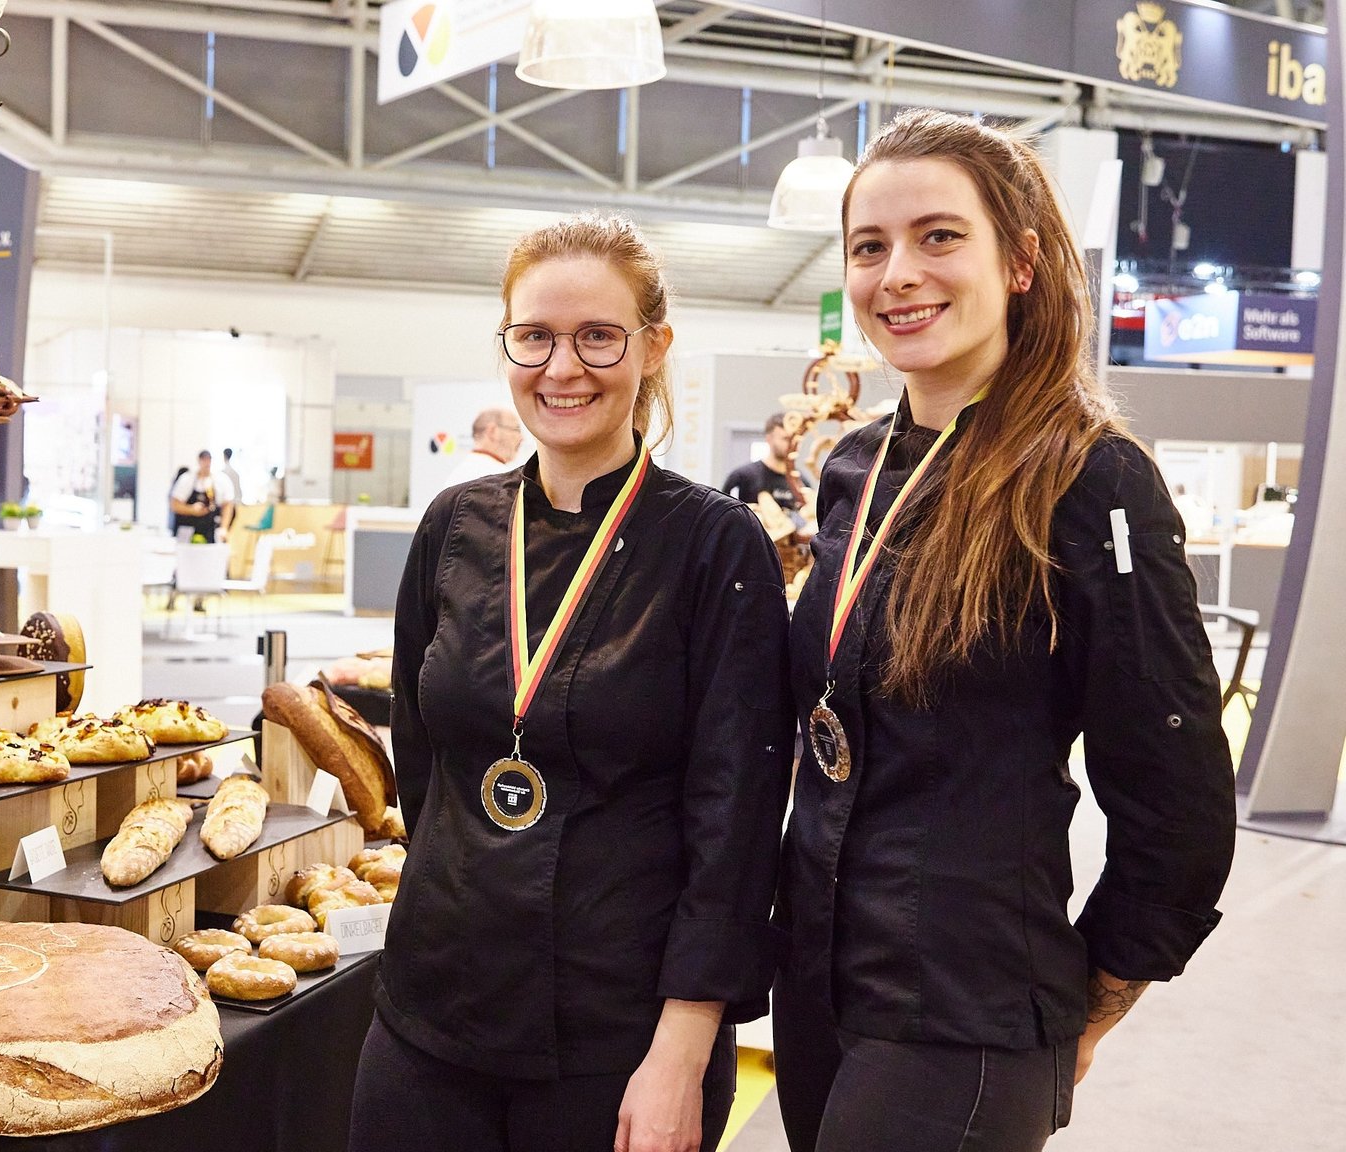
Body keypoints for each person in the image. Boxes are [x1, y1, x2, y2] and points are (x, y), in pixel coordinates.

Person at [774, 110, 1236, 1152]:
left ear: (1019, 262)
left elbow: (1175, 782)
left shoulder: (1087, 475)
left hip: (963, 1003)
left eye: (938, 237)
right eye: (867, 246)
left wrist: (1104, 984)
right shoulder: (855, 465)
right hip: (817, 980)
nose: (896, 273)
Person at [352, 213, 792, 1152]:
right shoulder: (454, 526)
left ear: (653, 346)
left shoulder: (716, 545)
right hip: (434, 1002)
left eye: (598, 336)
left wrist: (683, 1047)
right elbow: (422, 759)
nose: (562, 368)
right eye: (535, 337)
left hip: (619, 1025)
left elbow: (738, 816)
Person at [722, 413, 805, 514]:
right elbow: (723, 514)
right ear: (769, 439)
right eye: (786, 439)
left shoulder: (801, 482)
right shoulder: (742, 476)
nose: (792, 444)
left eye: (795, 439)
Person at [443, 406, 525, 489]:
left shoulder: (457, 475)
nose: (521, 438)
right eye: (516, 430)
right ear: (492, 431)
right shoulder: (499, 479)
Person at [169, 450, 222, 543]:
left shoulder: (217, 480)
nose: (207, 463)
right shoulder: (187, 479)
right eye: (204, 460)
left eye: (209, 460)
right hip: (188, 529)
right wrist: (191, 509)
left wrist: (223, 528)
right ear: (199, 461)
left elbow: (225, 504)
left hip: (208, 530)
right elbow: (174, 505)